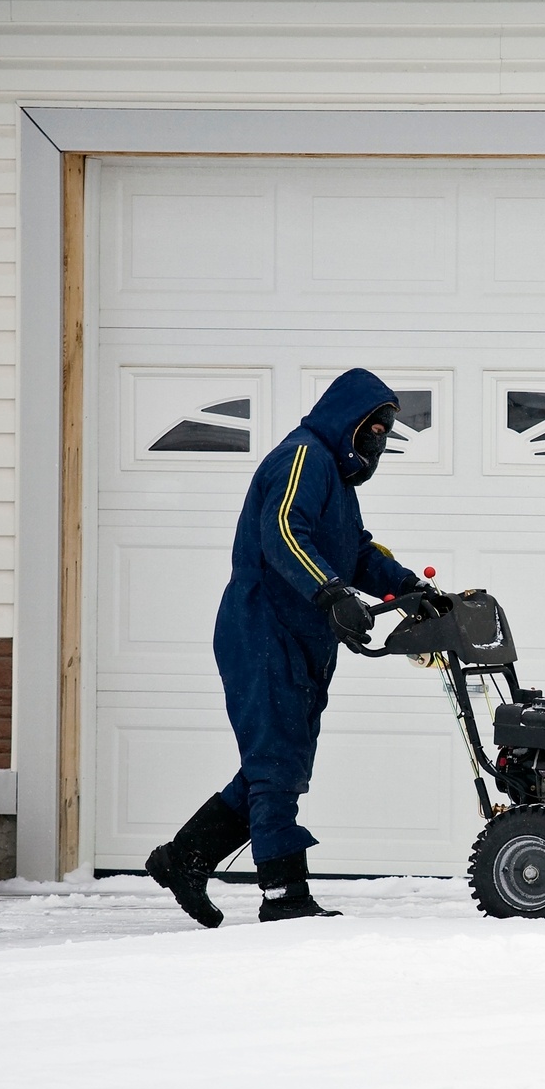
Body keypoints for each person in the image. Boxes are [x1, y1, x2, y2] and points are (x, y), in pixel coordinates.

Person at [145, 368, 428, 926]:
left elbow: (357, 553)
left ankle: (184, 858)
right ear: (346, 421)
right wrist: (330, 592)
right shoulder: (304, 457)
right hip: (263, 629)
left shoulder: (337, 482)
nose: (377, 440)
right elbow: (282, 531)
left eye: (384, 432)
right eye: (371, 427)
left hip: (304, 637)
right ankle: (284, 894)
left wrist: (409, 588)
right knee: (274, 764)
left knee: (279, 766)